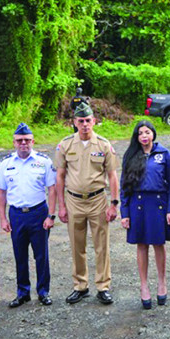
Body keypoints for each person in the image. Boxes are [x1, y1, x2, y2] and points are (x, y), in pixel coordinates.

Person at [55, 103, 120, 305]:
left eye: (88, 120)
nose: (84, 124)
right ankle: (80, 286)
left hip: (98, 200)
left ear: (94, 121)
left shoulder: (103, 145)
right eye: (80, 121)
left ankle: (103, 286)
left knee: (101, 245)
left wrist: (114, 203)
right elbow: (60, 176)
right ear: (74, 122)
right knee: (77, 245)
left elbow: (112, 175)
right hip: (74, 200)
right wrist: (61, 206)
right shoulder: (65, 145)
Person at [0, 123, 57, 308]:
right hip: (17, 215)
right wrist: (3, 218)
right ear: (14, 142)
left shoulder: (44, 161)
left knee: (41, 255)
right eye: (20, 140)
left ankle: (43, 292)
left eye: (27, 140)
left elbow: (52, 190)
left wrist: (51, 215)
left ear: (33, 141)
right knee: (20, 255)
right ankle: (22, 293)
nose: (24, 143)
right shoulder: (6, 164)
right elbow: (1, 193)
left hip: (38, 213)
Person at [119, 120, 170, 310]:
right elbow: (124, 187)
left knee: (159, 244)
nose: (144, 136)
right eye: (140, 133)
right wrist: (125, 213)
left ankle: (162, 282)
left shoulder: (164, 155)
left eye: (147, 132)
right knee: (142, 245)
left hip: (158, 204)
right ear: (136, 137)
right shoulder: (130, 156)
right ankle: (144, 286)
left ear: (153, 134)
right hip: (138, 205)